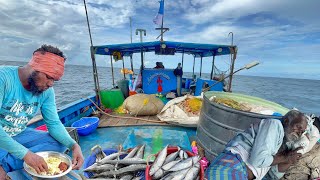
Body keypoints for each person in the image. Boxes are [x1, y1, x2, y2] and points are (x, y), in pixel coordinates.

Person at [0, 45, 84, 179]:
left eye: (54, 80)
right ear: (34, 67)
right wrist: (26, 155)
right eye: (49, 77)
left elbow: (54, 123)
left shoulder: (47, 91)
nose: (51, 84)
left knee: (60, 143)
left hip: (18, 133)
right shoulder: (3, 78)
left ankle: (5, 164)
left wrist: (74, 146)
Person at [205, 110, 308, 180]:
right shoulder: (274, 125)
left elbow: (273, 175)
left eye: (302, 131)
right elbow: (257, 160)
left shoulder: (280, 141)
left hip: (240, 173)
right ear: (286, 121)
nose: (299, 132)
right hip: (231, 166)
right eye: (298, 127)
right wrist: (286, 158)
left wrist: (289, 160)